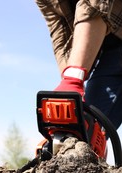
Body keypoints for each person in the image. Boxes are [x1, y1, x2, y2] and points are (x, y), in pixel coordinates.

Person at [35, 0, 122, 130]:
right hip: (112, 51)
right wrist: (68, 93)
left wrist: (73, 78)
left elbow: (94, 4)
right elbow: (58, 31)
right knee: (84, 127)